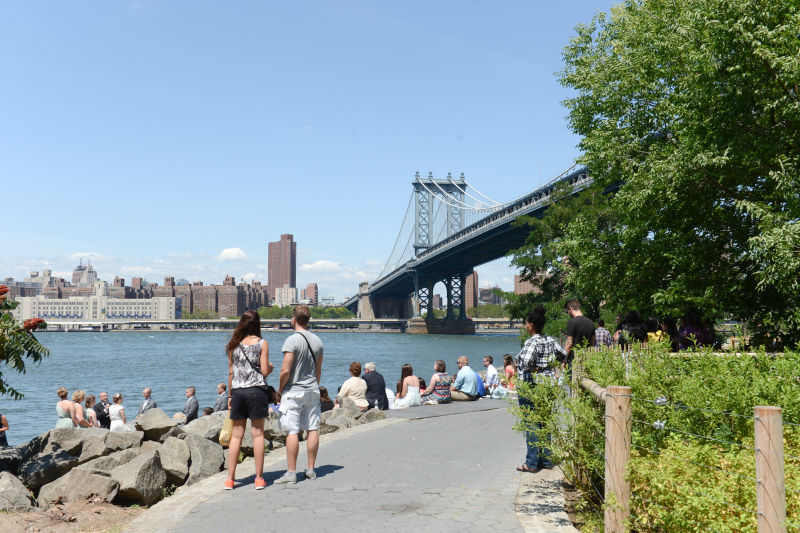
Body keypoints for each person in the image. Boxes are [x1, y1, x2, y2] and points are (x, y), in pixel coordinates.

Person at [223, 310, 272, 490]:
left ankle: (230, 479)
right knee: (257, 435)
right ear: (257, 324)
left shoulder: (234, 344)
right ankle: (258, 479)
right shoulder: (262, 343)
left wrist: (230, 395)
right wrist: (271, 368)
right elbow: (264, 371)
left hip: (238, 392)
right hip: (256, 391)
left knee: (236, 436)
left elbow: (231, 373)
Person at [516, 305, 568, 473]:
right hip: (548, 384)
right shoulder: (550, 340)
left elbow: (525, 362)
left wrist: (534, 367)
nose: (525, 326)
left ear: (531, 325)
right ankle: (546, 460)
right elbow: (563, 354)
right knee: (544, 421)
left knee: (531, 422)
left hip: (531, 385)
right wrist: (549, 366)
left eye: (526, 323)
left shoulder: (532, 341)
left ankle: (531, 463)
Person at [276, 305, 324, 485]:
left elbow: (285, 370)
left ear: (294, 319)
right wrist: (314, 386)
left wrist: (279, 390)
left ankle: (291, 473)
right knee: (312, 428)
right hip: (312, 390)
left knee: (292, 431)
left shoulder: (292, 340)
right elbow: (318, 370)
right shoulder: (318, 341)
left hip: (294, 391)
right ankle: (311, 469)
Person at [564, 299, 596, 367]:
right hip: (586, 360)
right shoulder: (591, 323)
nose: (568, 314)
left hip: (574, 361)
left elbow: (569, 344)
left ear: (570, 309)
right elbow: (592, 344)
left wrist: (563, 360)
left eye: (567, 312)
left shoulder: (572, 322)